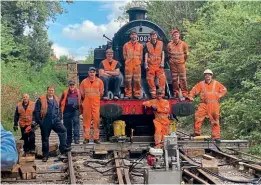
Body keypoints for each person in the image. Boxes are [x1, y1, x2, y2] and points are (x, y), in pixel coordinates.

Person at [34, 85, 71, 162]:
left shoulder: (56, 99)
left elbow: (60, 109)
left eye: (52, 90)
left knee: (63, 130)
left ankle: (63, 148)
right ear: (47, 91)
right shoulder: (41, 99)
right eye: (49, 90)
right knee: (45, 138)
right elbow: (36, 111)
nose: (51, 92)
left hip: (55, 120)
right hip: (45, 121)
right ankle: (45, 155)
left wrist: (59, 118)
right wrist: (39, 122)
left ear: (54, 91)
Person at [189, 69, 227, 141]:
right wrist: (191, 96)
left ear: (211, 76)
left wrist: (219, 95)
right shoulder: (201, 84)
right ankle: (197, 132)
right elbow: (194, 90)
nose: (207, 76)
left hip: (214, 104)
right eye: (206, 75)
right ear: (204, 76)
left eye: (209, 75)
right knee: (198, 117)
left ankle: (216, 136)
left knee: (215, 120)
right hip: (203, 104)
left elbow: (224, 89)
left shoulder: (216, 83)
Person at [80, 67, 104, 144]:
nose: (92, 73)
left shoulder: (99, 81)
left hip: (96, 104)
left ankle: (96, 138)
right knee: (86, 122)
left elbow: (101, 92)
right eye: (90, 72)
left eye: (93, 72)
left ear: (95, 73)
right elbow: (82, 93)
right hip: (87, 104)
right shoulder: (84, 82)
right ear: (88, 73)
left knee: (96, 122)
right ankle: (86, 138)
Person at [167, 29, 189, 99]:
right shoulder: (169, 45)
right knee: (174, 79)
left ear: (179, 35)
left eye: (177, 34)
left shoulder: (184, 44)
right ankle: (176, 93)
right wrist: (171, 61)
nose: (175, 36)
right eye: (174, 35)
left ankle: (185, 93)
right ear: (172, 36)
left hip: (181, 64)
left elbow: (186, 54)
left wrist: (183, 61)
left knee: (183, 79)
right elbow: (168, 54)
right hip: (173, 65)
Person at [60, 80, 82, 146]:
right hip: (67, 110)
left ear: (75, 85)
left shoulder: (78, 92)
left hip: (75, 110)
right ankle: (69, 140)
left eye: (73, 85)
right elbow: (60, 101)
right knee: (67, 126)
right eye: (70, 85)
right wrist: (60, 111)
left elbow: (82, 100)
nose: (72, 86)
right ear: (68, 85)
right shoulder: (65, 92)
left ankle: (76, 139)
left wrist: (79, 107)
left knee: (76, 124)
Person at [145, 31, 166, 98]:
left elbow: (163, 53)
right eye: (152, 36)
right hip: (151, 64)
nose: (154, 37)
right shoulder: (147, 44)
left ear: (156, 36)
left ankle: (161, 94)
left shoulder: (161, 43)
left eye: (155, 36)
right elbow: (146, 54)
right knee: (150, 78)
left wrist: (162, 62)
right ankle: (153, 94)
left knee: (162, 78)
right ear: (150, 37)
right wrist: (146, 63)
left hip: (159, 64)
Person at [123, 30, 143, 99]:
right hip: (129, 65)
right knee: (128, 80)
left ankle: (137, 94)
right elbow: (124, 55)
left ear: (137, 36)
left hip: (137, 64)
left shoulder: (140, 45)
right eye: (132, 34)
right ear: (130, 36)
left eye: (135, 34)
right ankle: (128, 94)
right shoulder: (126, 45)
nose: (134, 36)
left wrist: (138, 62)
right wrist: (128, 61)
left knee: (137, 80)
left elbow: (141, 56)